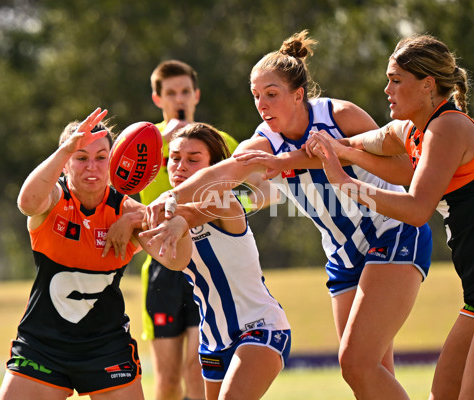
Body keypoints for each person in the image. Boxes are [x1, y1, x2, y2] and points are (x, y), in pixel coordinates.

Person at [144, 30, 433, 400]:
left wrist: (338, 153)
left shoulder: (339, 115)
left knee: (357, 363)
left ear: (299, 94)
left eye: (271, 94)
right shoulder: (263, 140)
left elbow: (406, 166)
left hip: (391, 233)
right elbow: (221, 175)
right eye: (256, 96)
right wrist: (171, 198)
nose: (262, 105)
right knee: (368, 373)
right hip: (343, 255)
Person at [305, 34, 474, 400]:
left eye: (396, 80)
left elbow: (415, 209)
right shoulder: (412, 133)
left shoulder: (448, 127)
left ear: (427, 85)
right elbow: (352, 145)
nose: (386, 89)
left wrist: (344, 182)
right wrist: (305, 153)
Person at [0, 108, 192, 400]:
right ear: (65, 164)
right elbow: (27, 202)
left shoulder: (129, 212)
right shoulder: (53, 199)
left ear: (113, 162)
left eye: (102, 158)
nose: (92, 167)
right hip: (43, 344)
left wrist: (177, 223)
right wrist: (64, 148)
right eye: (80, 157)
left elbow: (176, 261)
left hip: (106, 346)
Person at [138, 122, 291, 400]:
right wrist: (128, 222)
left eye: (193, 160)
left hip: (260, 327)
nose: (180, 166)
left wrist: (174, 218)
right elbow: (174, 258)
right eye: (174, 159)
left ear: (213, 169)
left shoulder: (225, 200)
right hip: (213, 341)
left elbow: (195, 213)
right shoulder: (162, 216)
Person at [141, 60, 239, 400]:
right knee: (167, 379)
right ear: (158, 99)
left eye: (185, 91)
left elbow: (249, 195)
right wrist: (160, 143)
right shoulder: (143, 145)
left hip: (209, 261)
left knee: (197, 370)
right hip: (162, 267)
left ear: (196, 95)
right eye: (170, 93)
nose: (178, 99)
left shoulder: (220, 140)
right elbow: (126, 202)